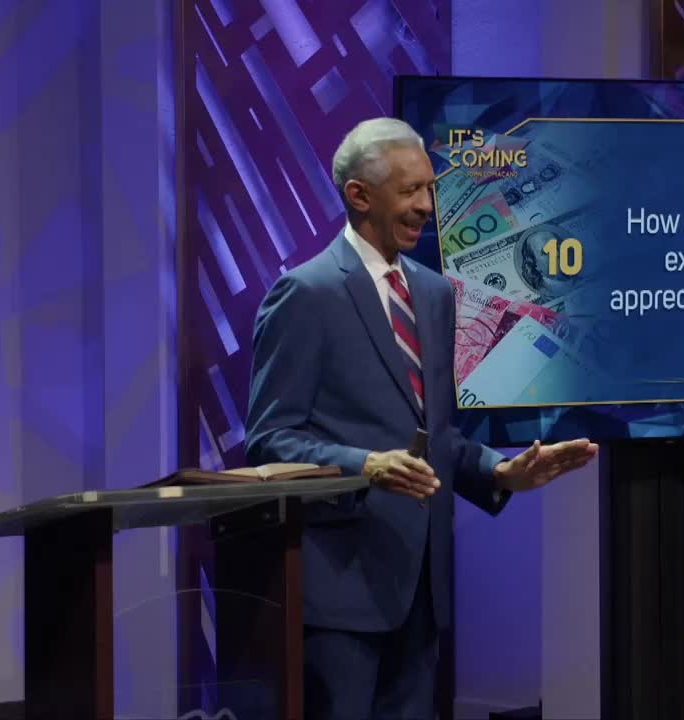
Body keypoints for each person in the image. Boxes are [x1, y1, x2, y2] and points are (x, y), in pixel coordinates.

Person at [243, 116, 598, 719]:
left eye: (431, 189)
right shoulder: (306, 294)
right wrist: (364, 465)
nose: (428, 207)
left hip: (422, 595)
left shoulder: (434, 294)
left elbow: (436, 436)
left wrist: (500, 471)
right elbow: (270, 441)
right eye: (411, 191)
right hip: (340, 599)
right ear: (359, 195)